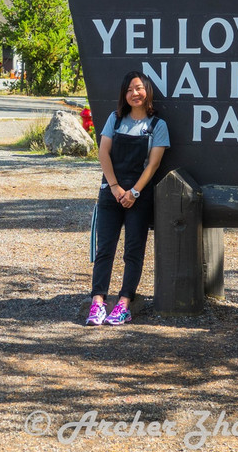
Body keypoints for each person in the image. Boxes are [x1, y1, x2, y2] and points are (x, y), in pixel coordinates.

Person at [86, 71, 170, 326]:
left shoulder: (158, 126)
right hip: (110, 193)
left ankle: (124, 304)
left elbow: (153, 164)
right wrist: (114, 187)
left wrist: (133, 192)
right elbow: (103, 154)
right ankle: (97, 302)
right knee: (105, 250)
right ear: (124, 94)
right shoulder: (115, 119)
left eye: (139, 88)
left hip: (139, 197)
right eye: (130, 89)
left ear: (147, 92)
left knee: (133, 251)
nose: (135, 93)